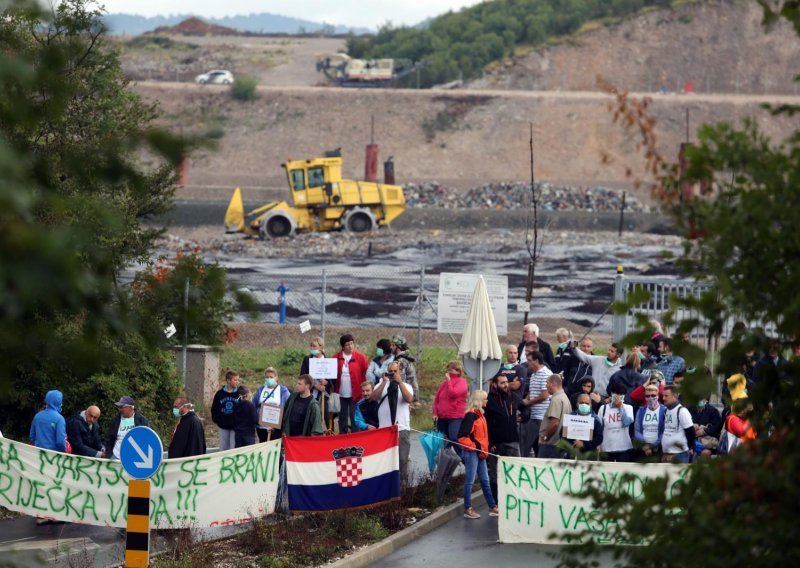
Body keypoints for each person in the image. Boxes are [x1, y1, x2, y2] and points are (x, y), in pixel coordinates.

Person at [457, 390, 499, 520]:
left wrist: (483, 448)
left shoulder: (480, 415)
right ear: (479, 400)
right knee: (470, 480)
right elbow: (462, 437)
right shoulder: (471, 415)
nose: (487, 401)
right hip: (473, 452)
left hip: (479, 452)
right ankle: (468, 508)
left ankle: (492, 506)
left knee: (485, 479)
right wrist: (476, 447)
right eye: (485, 399)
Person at [373, 361, 414, 482]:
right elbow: (374, 397)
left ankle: (403, 488)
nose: (392, 374)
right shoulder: (381, 385)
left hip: (401, 429)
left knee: (402, 461)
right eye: (390, 372)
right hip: (385, 430)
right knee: (386, 462)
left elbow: (409, 399)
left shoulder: (406, 386)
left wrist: (399, 382)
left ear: (400, 372)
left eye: (394, 372)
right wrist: (384, 381)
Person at [485, 374, 523, 501]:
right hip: (496, 443)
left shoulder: (513, 397)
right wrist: (490, 443)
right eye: (502, 383)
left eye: (507, 382)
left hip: (513, 441)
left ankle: (515, 499)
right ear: (495, 385)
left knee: (515, 472)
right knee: (495, 474)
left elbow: (525, 407)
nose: (506, 385)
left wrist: (524, 417)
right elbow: (486, 424)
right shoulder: (489, 400)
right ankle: (496, 501)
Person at [334, 334, 369, 434]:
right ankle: (343, 436)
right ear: (342, 347)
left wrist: (365, 389)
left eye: (352, 343)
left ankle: (355, 437)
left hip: (356, 393)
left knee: (355, 417)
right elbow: (331, 373)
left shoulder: (361, 357)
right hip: (340, 393)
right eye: (347, 344)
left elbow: (366, 373)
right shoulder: (336, 357)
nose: (350, 346)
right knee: (342, 417)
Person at [519, 351, 551, 457]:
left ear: (536, 361)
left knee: (525, 444)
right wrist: (527, 398)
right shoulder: (533, 374)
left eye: (529, 361)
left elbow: (544, 395)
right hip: (534, 415)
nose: (527, 363)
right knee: (536, 446)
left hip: (541, 417)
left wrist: (528, 402)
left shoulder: (546, 374)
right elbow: (532, 391)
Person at [432, 360, 469, 454]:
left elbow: (453, 394)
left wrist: (449, 382)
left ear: (458, 371)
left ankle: (464, 458)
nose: (450, 371)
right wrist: (435, 413)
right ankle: (445, 464)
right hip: (442, 417)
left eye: (453, 369)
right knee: (444, 443)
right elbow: (437, 399)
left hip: (455, 417)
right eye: (449, 368)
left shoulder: (462, 382)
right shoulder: (444, 384)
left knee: (454, 438)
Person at [538, 374, 572, 459]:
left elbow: (554, 423)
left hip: (551, 445)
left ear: (553, 383)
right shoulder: (564, 397)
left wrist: (545, 438)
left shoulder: (556, 399)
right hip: (560, 445)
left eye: (547, 383)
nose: (546, 386)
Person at [598, 382, 635, 462]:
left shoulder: (628, 408)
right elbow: (599, 427)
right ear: (612, 394)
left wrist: (621, 408)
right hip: (606, 447)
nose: (618, 397)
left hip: (624, 447)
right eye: (616, 394)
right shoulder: (603, 408)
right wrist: (598, 444)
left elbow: (627, 422)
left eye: (621, 394)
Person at [253, 367, 291, 442]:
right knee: (263, 446)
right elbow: (254, 405)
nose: (269, 379)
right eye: (267, 377)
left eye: (271, 377)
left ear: (276, 378)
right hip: (262, 426)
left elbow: (288, 406)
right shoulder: (260, 390)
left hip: (276, 426)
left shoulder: (283, 390)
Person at [660, 385, 695, 463]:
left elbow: (691, 432)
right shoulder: (666, 410)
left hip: (679, 455)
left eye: (666, 396)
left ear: (675, 396)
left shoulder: (682, 411)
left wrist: (690, 447)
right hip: (666, 454)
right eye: (663, 396)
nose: (663, 398)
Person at [634, 383, 667, 460]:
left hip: (659, 449)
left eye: (653, 395)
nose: (650, 398)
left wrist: (652, 446)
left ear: (658, 396)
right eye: (647, 396)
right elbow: (637, 431)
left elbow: (664, 431)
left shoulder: (664, 410)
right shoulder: (641, 410)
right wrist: (645, 446)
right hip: (643, 448)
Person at [211, 370, 240, 451]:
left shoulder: (239, 393)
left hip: (235, 426)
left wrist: (239, 422)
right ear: (228, 381)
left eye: (238, 380)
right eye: (235, 380)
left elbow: (244, 409)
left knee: (233, 448)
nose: (237, 382)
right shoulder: (219, 394)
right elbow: (214, 409)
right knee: (223, 448)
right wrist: (218, 421)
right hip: (223, 426)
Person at [390, 335, 419, 403]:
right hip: (411, 390)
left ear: (398, 347)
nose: (390, 347)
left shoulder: (401, 361)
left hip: (408, 392)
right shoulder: (404, 358)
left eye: (393, 345)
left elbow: (400, 378)